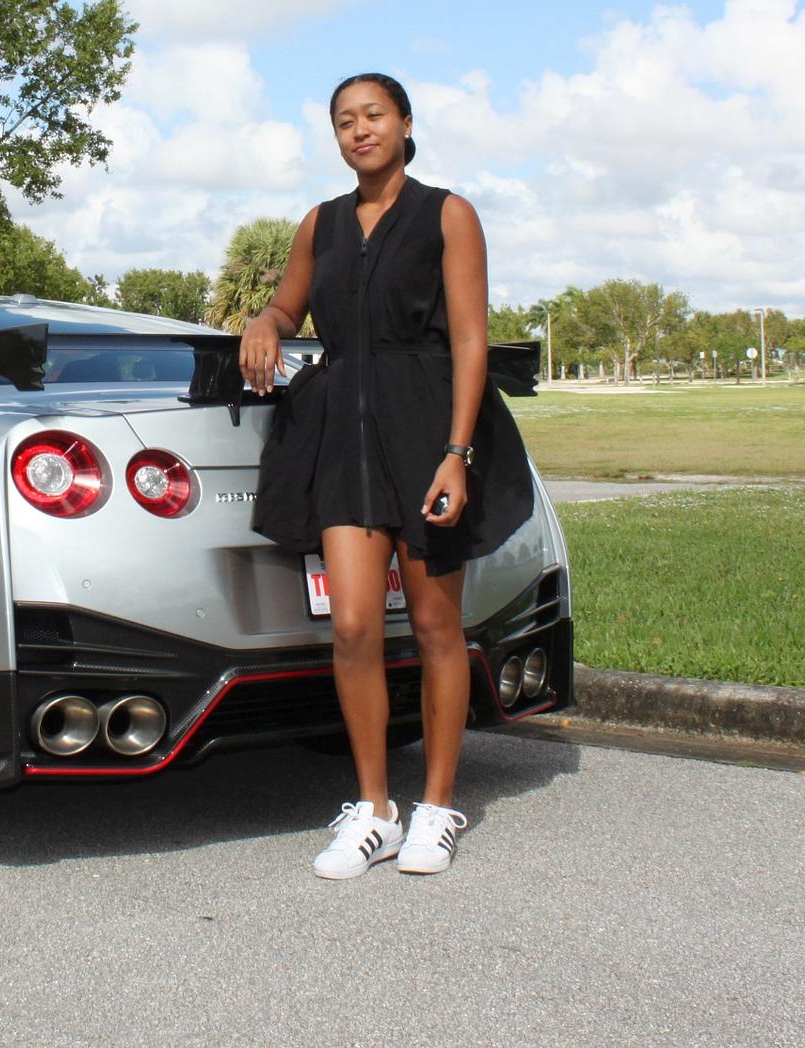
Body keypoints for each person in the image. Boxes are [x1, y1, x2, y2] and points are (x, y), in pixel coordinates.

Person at [239, 73, 533, 878]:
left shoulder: (448, 213)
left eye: (373, 116)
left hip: (427, 432)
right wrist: (264, 323)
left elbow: (471, 341)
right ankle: (374, 810)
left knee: (438, 629)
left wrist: (458, 452)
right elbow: (287, 309)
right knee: (353, 628)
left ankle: (437, 806)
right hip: (344, 440)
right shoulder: (321, 223)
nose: (359, 130)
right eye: (344, 121)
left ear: (405, 124)